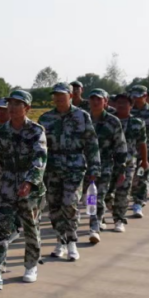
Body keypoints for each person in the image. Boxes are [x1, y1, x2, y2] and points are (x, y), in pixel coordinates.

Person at [0, 89, 47, 291]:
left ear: (27, 108)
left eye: (18, 104)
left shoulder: (36, 131)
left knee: (30, 227)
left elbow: (40, 159)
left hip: (30, 187)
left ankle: (31, 265)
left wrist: (30, 181)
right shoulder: (1, 132)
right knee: (1, 227)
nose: (12, 107)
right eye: (10, 103)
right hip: (7, 185)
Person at [39, 83, 101, 261]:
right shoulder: (46, 118)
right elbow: (39, 146)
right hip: (52, 168)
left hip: (74, 166)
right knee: (54, 206)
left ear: (71, 96)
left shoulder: (82, 116)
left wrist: (94, 167)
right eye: (56, 95)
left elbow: (91, 143)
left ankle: (72, 241)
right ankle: (61, 240)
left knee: (69, 203)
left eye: (62, 95)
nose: (58, 98)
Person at [86, 89, 127, 244]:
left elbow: (120, 146)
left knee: (97, 196)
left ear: (106, 101)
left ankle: (94, 227)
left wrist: (121, 169)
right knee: (84, 199)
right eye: (92, 99)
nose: (95, 102)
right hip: (82, 165)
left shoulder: (113, 121)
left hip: (104, 165)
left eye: (99, 99)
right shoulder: (82, 119)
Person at [110, 92, 147, 232]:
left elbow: (142, 143)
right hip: (108, 162)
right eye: (118, 102)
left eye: (124, 103)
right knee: (104, 193)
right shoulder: (108, 120)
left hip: (128, 163)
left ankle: (119, 219)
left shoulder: (137, 123)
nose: (120, 105)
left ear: (131, 105)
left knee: (123, 192)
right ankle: (100, 217)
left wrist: (144, 160)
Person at [129, 85, 149, 218]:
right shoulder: (129, 109)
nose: (136, 99)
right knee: (132, 178)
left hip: (146, 148)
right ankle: (135, 196)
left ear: (145, 96)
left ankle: (138, 203)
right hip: (130, 149)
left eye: (139, 96)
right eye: (134, 96)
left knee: (142, 176)